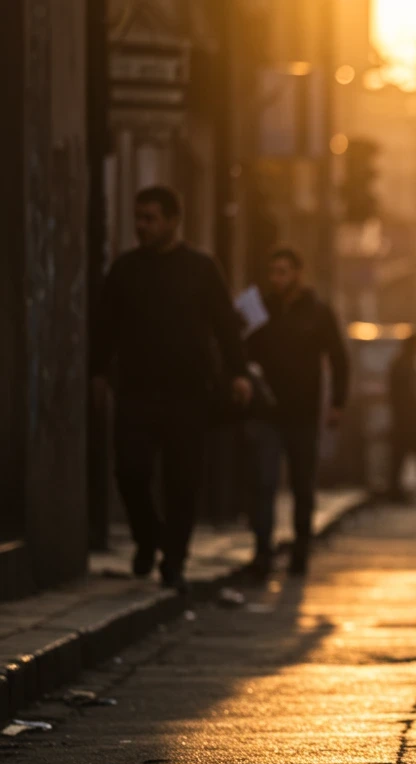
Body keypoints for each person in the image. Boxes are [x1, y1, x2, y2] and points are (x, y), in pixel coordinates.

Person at [90, 186, 252, 593]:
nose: (142, 226)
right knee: (130, 471)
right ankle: (148, 537)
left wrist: (238, 373)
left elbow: (225, 324)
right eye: (138, 218)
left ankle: (174, 558)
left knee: (183, 480)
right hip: (136, 392)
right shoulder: (125, 269)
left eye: (151, 218)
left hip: (188, 394)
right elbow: (104, 326)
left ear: (173, 221)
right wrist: (97, 373)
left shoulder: (200, 268)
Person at [243, 247, 349, 578]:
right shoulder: (260, 310)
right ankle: (262, 553)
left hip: (303, 414)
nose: (277, 279)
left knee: (303, 486)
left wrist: (337, 404)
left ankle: (300, 552)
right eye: (273, 272)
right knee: (264, 482)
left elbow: (338, 357)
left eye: (283, 272)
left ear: (298, 274)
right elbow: (240, 347)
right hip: (267, 412)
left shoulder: (318, 312)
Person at [388, 331, 416, 502]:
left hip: (403, 421)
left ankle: (395, 492)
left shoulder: (401, 364)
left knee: (399, 460)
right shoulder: (406, 366)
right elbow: (411, 395)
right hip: (409, 422)